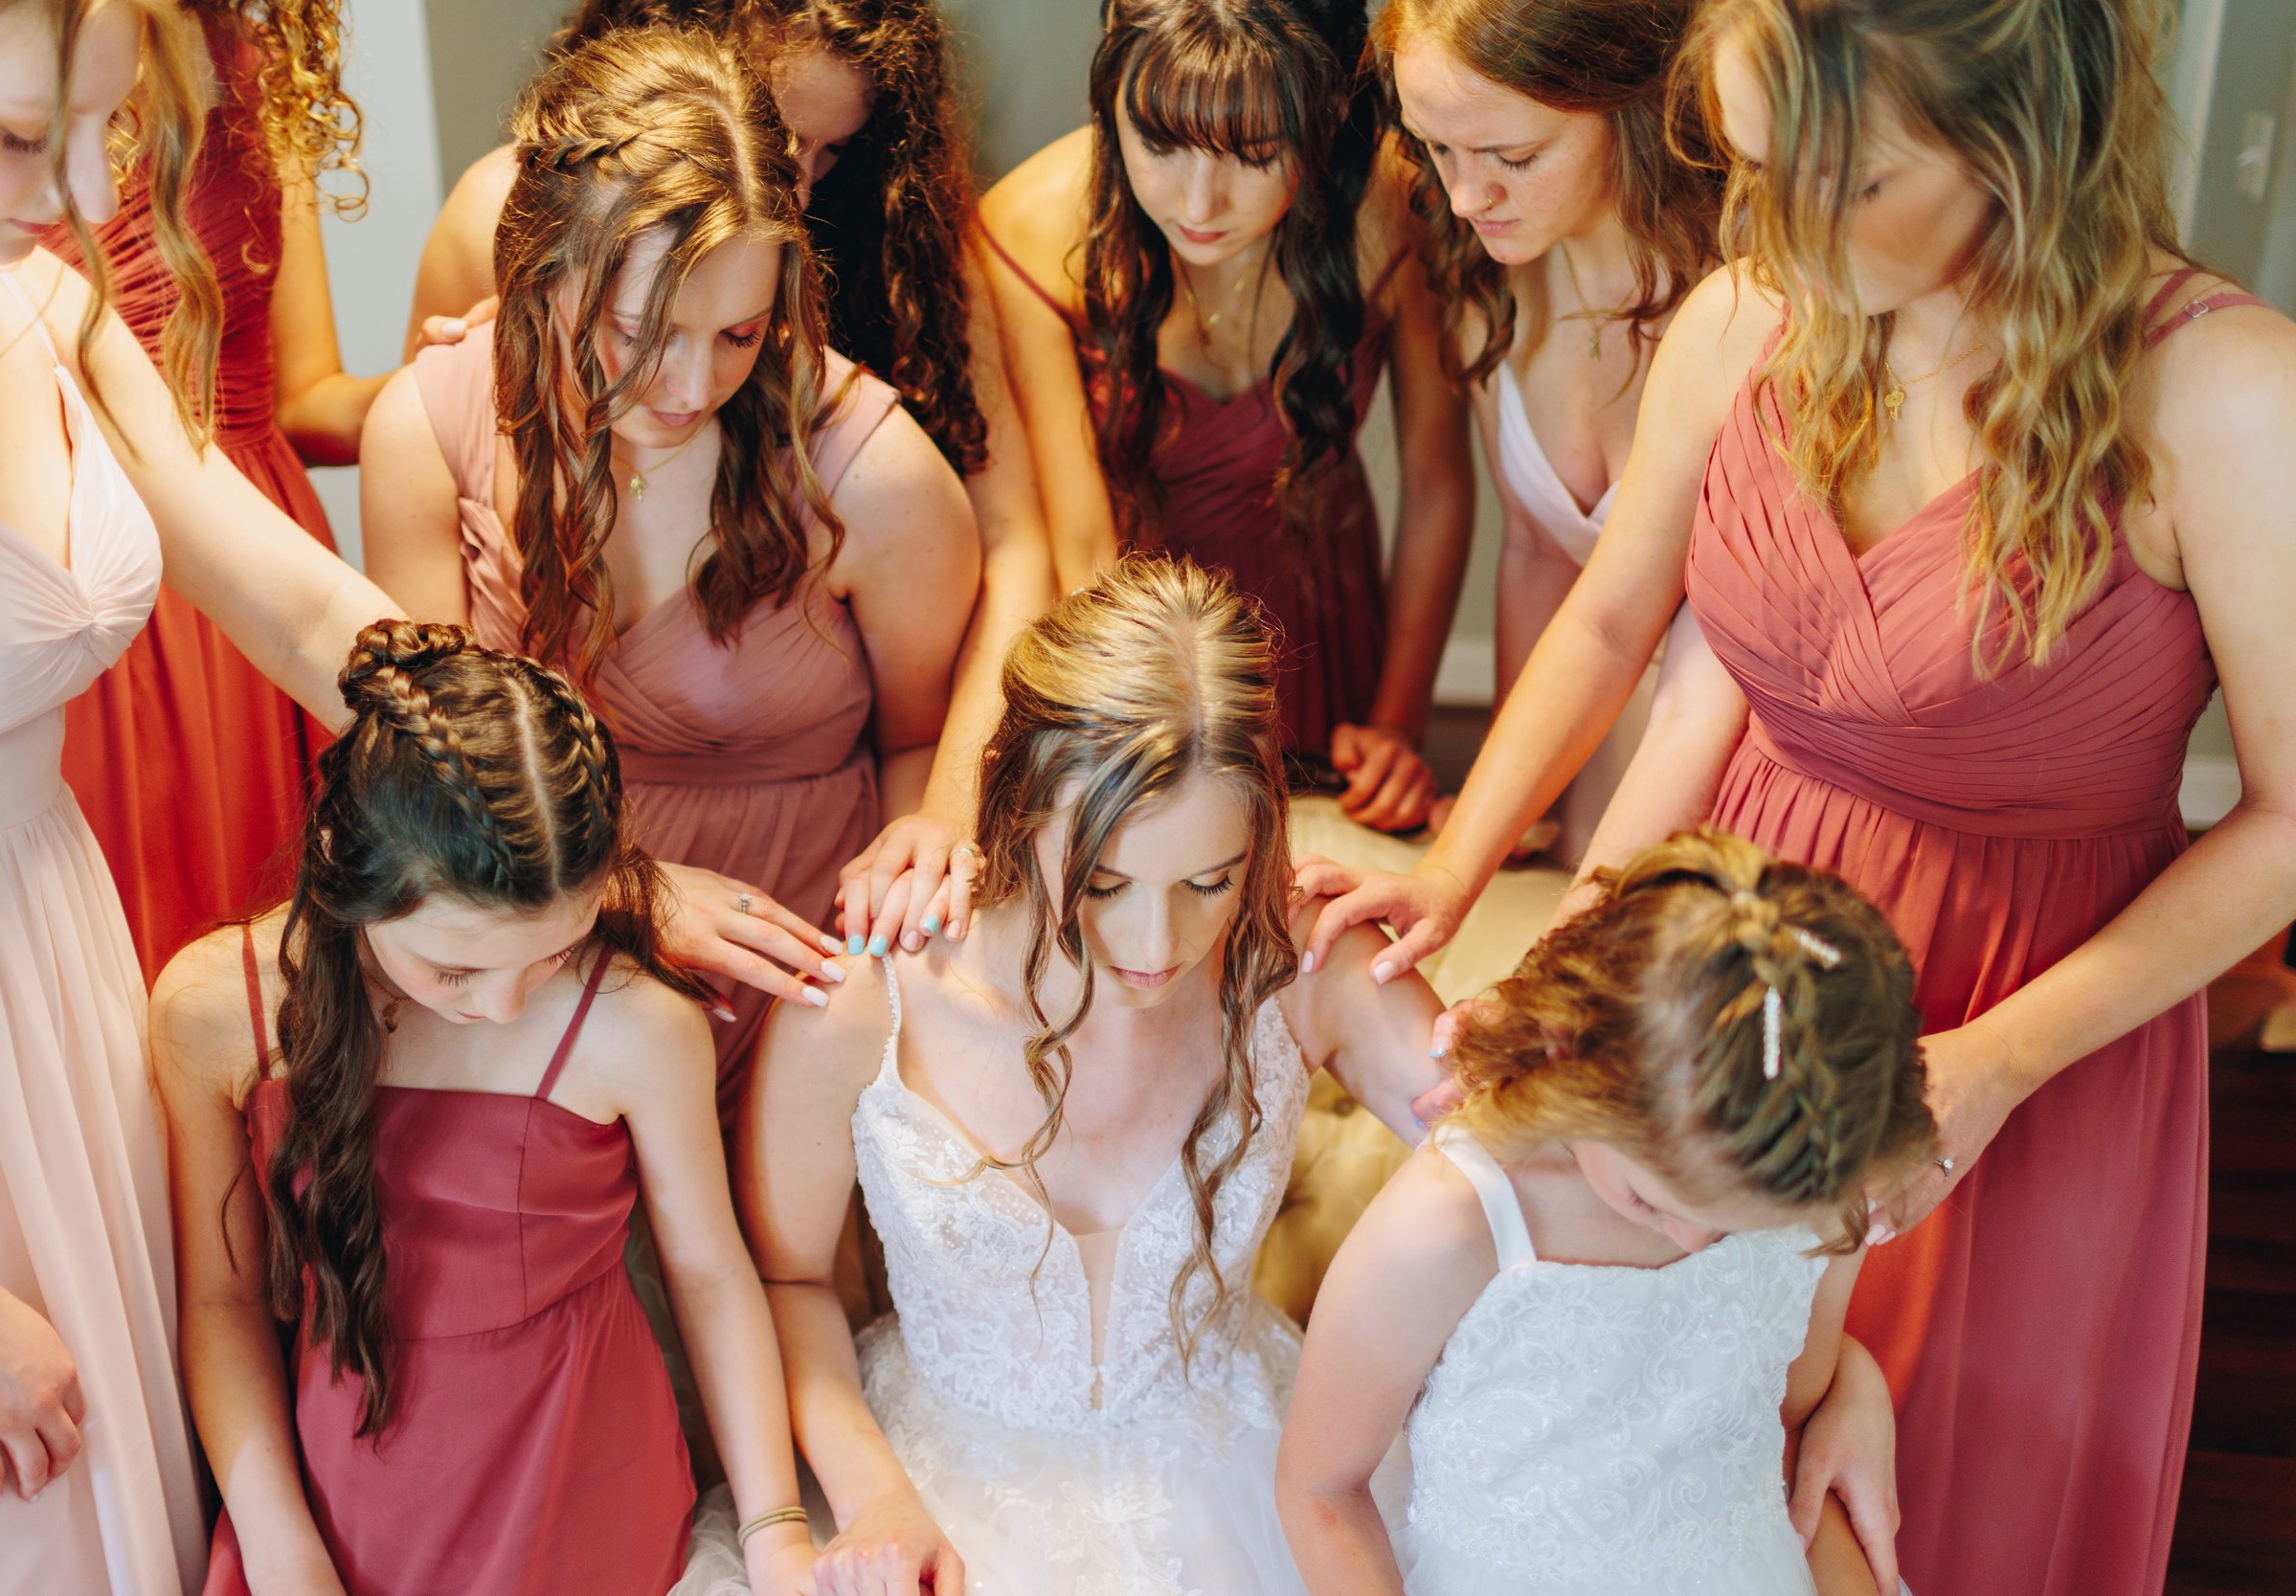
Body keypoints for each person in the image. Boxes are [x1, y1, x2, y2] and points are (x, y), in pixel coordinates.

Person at [1304, 2, 2296, 1590]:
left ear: (2014, 142)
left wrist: (1992, 1064)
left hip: (2030, 999)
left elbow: (2289, 821)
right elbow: (1621, 619)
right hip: (1725, 959)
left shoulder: (2225, 395)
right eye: (1755, 170)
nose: (1775, 231)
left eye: (1842, 180)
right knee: (1685, 1449)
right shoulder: (1752, 313)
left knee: (1939, 1505)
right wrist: (1464, 863)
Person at [0, 3, 407, 1591]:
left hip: (59, 981)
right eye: (15, 134)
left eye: (101, 132)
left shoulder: (37, 299)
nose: (69, 191)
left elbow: (304, 615)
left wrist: (551, 799)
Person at [731, 559, 1444, 1595]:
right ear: (1014, 806)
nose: (1157, 942)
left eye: (1210, 879)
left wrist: (1457, 934)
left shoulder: (1301, 960)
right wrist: (875, 1495)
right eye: (1104, 882)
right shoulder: (863, 1001)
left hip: (1254, 1492)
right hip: (936, 1494)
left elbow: (1518, 1137)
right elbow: (788, 1280)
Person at [362, 21, 979, 1105]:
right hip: (529, 936)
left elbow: (918, 739)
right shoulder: (427, 426)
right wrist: (621, 893)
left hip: (802, 965)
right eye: (641, 332)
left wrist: (876, 959)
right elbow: (431, 775)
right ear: (545, 267)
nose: (691, 385)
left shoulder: (875, 475)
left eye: (740, 334)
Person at [154, 621, 820, 1596]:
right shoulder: (217, 1012)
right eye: (454, 966)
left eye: (552, 951)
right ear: (350, 868)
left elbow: (711, 1275)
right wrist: (280, 1545)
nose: (503, 1003)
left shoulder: (635, 1025)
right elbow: (223, 1301)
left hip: (585, 1492)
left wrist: (774, 1528)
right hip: (339, 1506)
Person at [411, 0, 1057, 938]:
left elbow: (1015, 544)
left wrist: (947, 808)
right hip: (524, 894)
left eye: (827, 152)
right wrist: (471, 367)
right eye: (777, 133)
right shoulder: (501, 232)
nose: (792, 178)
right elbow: (437, 446)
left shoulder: (875, 404)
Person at [1280, 829, 1925, 1596]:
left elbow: (1785, 1409)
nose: (1696, 1240)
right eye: (1649, 1199)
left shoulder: (1810, 1183)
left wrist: (1857, 1381)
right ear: (1569, 1053)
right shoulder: (1455, 1218)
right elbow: (1321, 1488)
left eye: (1732, 1227)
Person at [979, 0, 1474, 833]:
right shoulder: (1027, 231)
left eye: (1253, 153)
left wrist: (1396, 722)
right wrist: (1132, 738)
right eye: (1160, 143)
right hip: (1130, 634)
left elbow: (1439, 485)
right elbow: (1080, 546)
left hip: (1321, 609)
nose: (1200, 202)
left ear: (1320, 119)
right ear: (1113, 104)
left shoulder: (1389, 201)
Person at [44, 0, 398, 978]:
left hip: (252, 559)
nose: (77, 178)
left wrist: (460, 382)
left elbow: (307, 398)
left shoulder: (258, 58)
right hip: (89, 578)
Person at [1376, 0, 1719, 863]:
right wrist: (1512, 791)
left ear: (1626, 102)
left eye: (1514, 157)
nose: (1463, 197)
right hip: (1587, 749)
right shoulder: (1488, 284)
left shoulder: (1746, 282)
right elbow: (1536, 549)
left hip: (1734, 771)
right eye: (1436, 146)